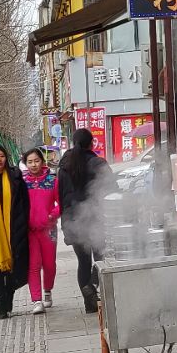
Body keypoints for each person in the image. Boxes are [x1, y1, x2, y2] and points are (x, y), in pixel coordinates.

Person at [58, 129, 113, 312]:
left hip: (74, 221)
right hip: (97, 219)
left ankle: (89, 304)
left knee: (83, 262)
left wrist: (65, 223)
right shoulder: (99, 164)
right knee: (101, 259)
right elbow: (111, 190)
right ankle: (97, 291)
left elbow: (61, 197)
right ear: (92, 143)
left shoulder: (64, 166)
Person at [0, 144, 29, 320]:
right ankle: (1, 304)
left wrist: (24, 223)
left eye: (1, 156)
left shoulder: (15, 177)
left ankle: (8, 299)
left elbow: (25, 202)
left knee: (13, 269)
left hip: (14, 229)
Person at [24, 148, 60, 314]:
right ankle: (37, 300)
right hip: (29, 231)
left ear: (42, 161)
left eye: (36, 161)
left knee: (49, 264)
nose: (33, 165)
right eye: (30, 162)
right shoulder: (22, 182)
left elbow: (61, 203)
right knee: (33, 265)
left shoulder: (52, 180)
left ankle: (48, 291)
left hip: (49, 230)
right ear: (25, 164)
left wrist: (51, 216)